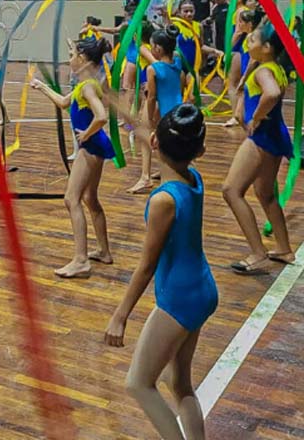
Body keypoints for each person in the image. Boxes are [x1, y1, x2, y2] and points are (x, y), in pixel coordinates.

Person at [105, 104, 216, 440]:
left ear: (154, 143)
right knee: (178, 381)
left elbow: (147, 264)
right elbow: (149, 133)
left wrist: (120, 315)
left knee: (138, 384)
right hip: (202, 289)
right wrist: (116, 104)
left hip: (179, 299)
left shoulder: (163, 201)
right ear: (200, 151)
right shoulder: (192, 178)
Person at [30, 36, 114, 278]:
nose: (69, 60)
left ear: (83, 59)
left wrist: (85, 134)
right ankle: (104, 251)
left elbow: (101, 117)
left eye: (72, 55)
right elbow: (64, 103)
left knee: (71, 198)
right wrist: (42, 87)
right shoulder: (83, 86)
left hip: (91, 147)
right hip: (95, 146)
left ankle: (81, 260)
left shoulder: (87, 87)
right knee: (90, 198)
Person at [222, 22, 296, 275]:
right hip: (276, 136)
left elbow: (272, 94)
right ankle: (284, 249)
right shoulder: (273, 67)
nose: (248, 43)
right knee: (265, 193)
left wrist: (255, 118)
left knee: (231, 190)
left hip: (262, 137)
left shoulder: (264, 71)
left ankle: (258, 252)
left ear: (266, 48)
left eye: (252, 40)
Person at [128, 27, 185, 194]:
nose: (151, 48)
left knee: (146, 136)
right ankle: (164, 168)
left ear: (158, 49)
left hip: (164, 108)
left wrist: (150, 117)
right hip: (177, 107)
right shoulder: (178, 60)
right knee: (168, 142)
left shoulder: (153, 69)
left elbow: (151, 97)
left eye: (153, 46)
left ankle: (145, 177)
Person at [223, 8, 262, 128]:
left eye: (241, 22)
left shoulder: (252, 37)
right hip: (248, 72)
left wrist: (244, 77)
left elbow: (253, 59)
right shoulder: (249, 36)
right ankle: (238, 118)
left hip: (251, 73)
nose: (238, 25)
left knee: (249, 95)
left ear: (249, 24)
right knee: (243, 94)